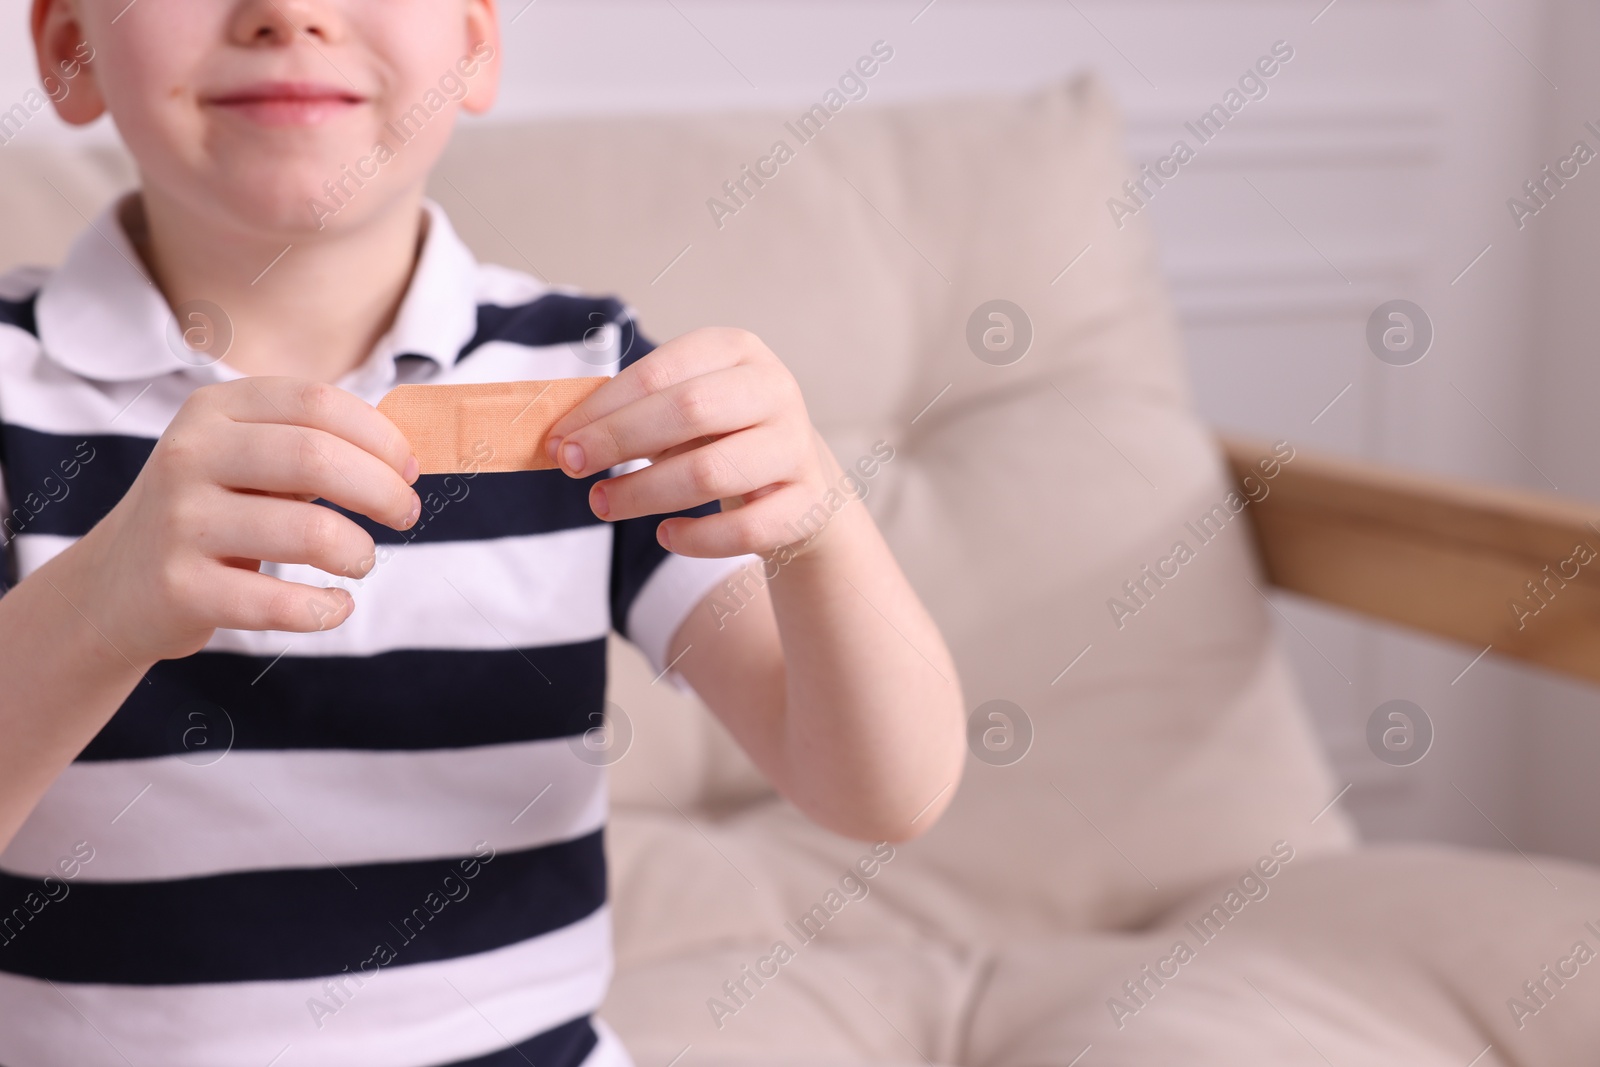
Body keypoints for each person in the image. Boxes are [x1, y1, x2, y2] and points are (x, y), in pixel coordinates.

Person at [0, 0, 965, 1062]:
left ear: (475, 44)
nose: (288, 12)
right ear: (63, 47)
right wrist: (95, 607)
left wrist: (818, 525)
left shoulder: (590, 380)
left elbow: (881, 789)